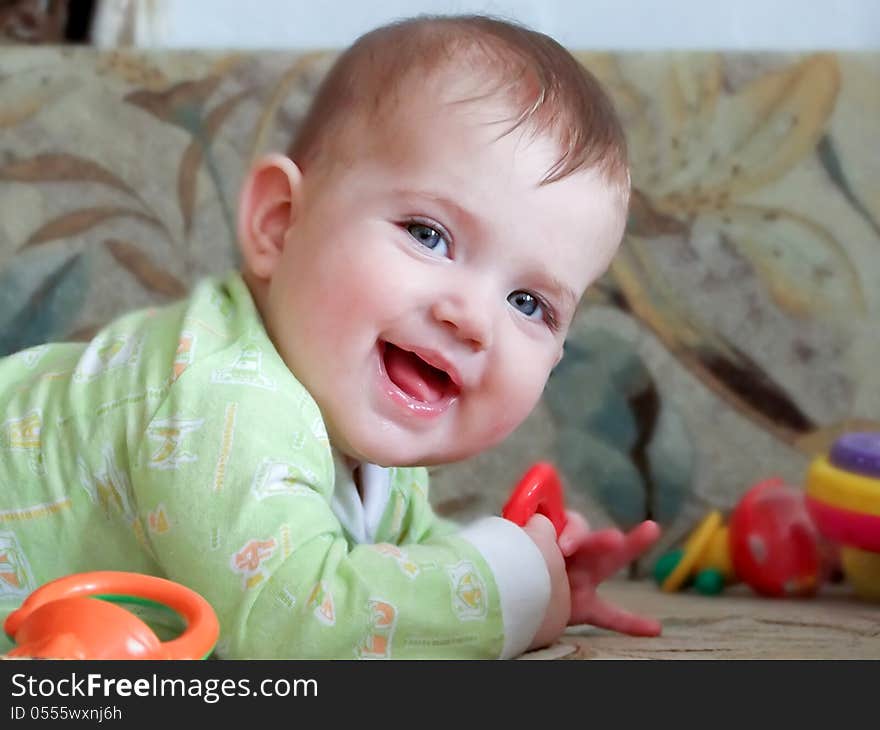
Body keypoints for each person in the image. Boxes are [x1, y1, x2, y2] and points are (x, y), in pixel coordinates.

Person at [0, 14, 661, 659]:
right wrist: (505, 592)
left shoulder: (365, 440)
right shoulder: (228, 400)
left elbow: (392, 570)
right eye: (428, 235)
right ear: (280, 223)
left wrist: (545, 581)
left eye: (529, 302)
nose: (473, 317)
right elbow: (290, 627)